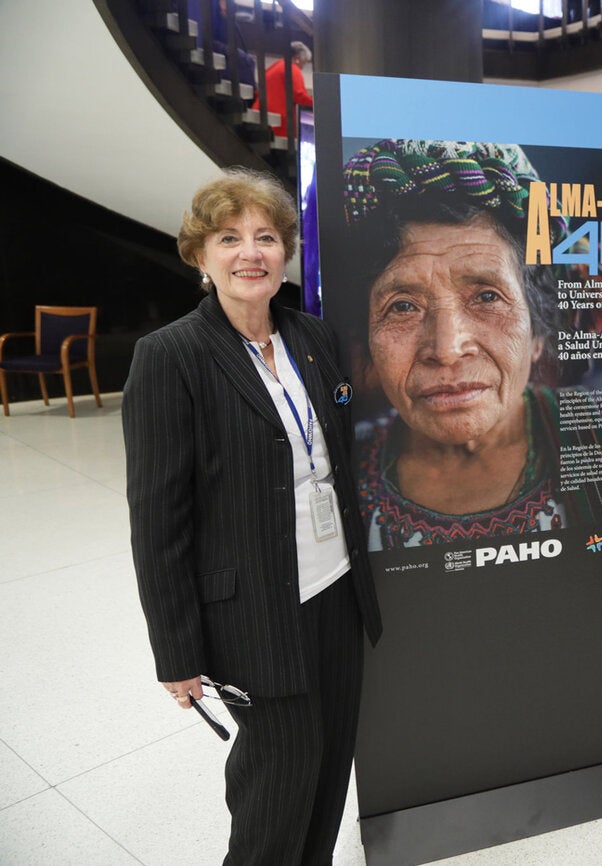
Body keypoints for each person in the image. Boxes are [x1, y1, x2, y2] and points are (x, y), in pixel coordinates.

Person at [122, 168, 383, 864]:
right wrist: (175, 650)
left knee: (328, 772)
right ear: (200, 256)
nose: (251, 252)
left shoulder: (314, 338)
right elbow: (158, 520)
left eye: (266, 236)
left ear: (285, 252)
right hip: (253, 614)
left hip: (335, 590)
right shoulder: (169, 356)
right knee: (276, 781)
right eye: (229, 237)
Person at [338, 139, 602, 549]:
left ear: (538, 332)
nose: (446, 349)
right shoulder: (339, 469)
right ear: (367, 337)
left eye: (486, 297)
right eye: (403, 306)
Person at [252, 40, 314, 138]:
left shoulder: (273, 67)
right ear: (297, 58)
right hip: (280, 123)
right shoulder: (292, 68)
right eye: (304, 63)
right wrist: (318, 103)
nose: (302, 67)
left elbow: (258, 92)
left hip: (261, 114)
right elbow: (299, 95)